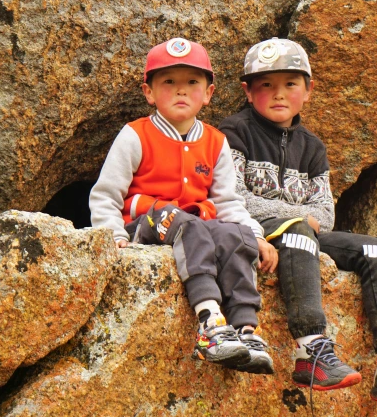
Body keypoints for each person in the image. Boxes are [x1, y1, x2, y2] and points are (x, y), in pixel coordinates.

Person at [218, 38, 377, 404]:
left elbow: (326, 213)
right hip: (253, 231)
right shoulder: (233, 133)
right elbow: (235, 197)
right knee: (300, 228)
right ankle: (311, 351)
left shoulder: (313, 147)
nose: (278, 94)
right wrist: (298, 216)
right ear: (247, 91)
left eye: (290, 84)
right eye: (266, 85)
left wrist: (302, 218)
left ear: (308, 90)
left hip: (303, 237)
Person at [90, 37, 279, 375]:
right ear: (149, 92)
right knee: (188, 224)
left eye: (192, 82)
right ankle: (208, 323)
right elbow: (106, 195)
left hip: (193, 226)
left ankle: (245, 329)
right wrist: (112, 236)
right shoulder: (135, 135)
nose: (181, 91)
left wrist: (255, 236)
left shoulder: (215, 141)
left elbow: (227, 201)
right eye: (169, 82)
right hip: (147, 225)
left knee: (232, 234)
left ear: (208, 93)